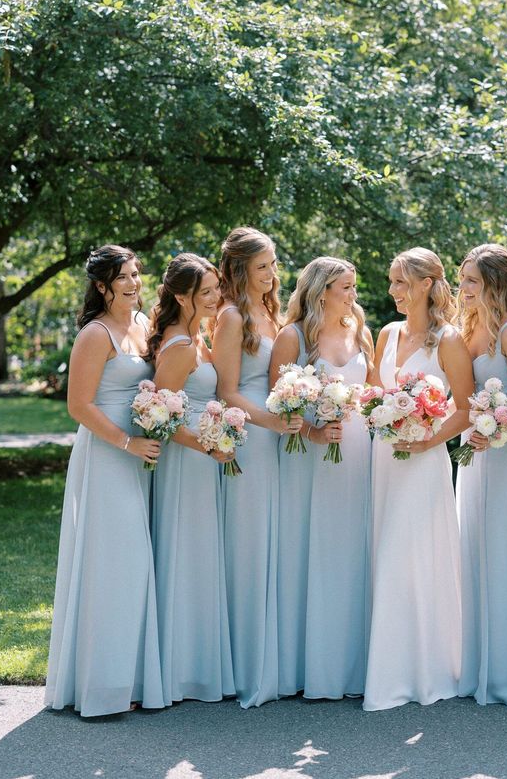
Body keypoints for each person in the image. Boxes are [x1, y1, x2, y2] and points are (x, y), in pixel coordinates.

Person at [45, 245, 164, 717]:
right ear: (102, 286)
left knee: (140, 566)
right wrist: (126, 443)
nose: (134, 283)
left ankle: (135, 678)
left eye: (137, 274)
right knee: (115, 564)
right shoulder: (95, 335)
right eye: (124, 278)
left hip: (143, 454)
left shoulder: (141, 326)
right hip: (109, 455)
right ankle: (103, 686)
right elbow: (79, 406)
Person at [363, 247, 474, 711]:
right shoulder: (387, 334)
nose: (393, 291)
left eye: (401, 282)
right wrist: (382, 413)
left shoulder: (448, 340)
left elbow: (466, 409)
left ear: (427, 283)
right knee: (384, 550)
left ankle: (416, 671)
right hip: (384, 459)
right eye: (391, 282)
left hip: (424, 462)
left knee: (409, 558)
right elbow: (371, 393)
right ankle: (386, 664)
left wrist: (429, 440)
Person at [455, 244, 507, 707]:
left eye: (471, 280)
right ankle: (477, 663)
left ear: (494, 284)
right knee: (477, 550)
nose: (463, 288)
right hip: (478, 452)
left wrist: (498, 428)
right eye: (462, 279)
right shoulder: (471, 328)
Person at [285, 257, 373, 700]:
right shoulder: (294, 336)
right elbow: (280, 401)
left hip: (359, 452)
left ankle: (353, 665)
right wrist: (315, 429)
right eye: (346, 287)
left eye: (354, 286)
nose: (354, 295)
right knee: (315, 547)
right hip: (313, 455)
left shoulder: (360, 327)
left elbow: (373, 392)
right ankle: (312, 664)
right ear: (322, 291)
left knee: (352, 549)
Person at [149, 253, 234, 705]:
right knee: (185, 551)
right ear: (182, 296)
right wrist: (209, 445)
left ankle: (198, 665)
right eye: (206, 292)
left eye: (216, 288)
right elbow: (155, 417)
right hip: (185, 463)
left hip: (204, 456)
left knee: (201, 553)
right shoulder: (180, 345)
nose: (216, 296)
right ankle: (181, 671)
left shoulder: (197, 337)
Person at [211, 226, 288, 708]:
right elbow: (227, 390)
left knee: (274, 539)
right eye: (263, 266)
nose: (272, 273)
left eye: (274, 264)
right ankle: (246, 663)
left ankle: (274, 658)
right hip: (253, 434)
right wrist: (271, 422)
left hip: (280, 431)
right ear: (239, 269)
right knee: (250, 541)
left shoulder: (269, 309)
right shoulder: (231, 315)